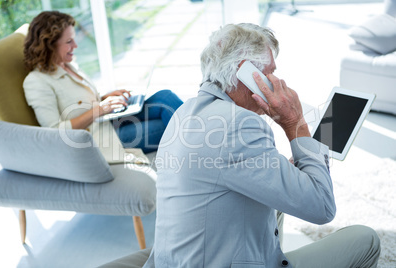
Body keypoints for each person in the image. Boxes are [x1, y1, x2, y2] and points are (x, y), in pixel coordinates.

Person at [144, 23, 381, 267]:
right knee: (366, 239)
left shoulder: (184, 112)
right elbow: (321, 207)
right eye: (271, 72)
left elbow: (226, 169)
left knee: (282, 196)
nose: (276, 81)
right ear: (246, 73)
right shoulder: (239, 124)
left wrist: (282, 171)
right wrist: (295, 122)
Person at [23, 11, 183, 163]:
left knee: (165, 96)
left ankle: (202, 142)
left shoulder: (67, 65)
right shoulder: (36, 82)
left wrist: (105, 98)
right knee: (169, 125)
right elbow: (55, 131)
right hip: (101, 138)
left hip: (108, 120)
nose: (76, 45)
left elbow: (80, 100)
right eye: (69, 41)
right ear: (49, 45)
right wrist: (100, 109)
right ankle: (203, 149)